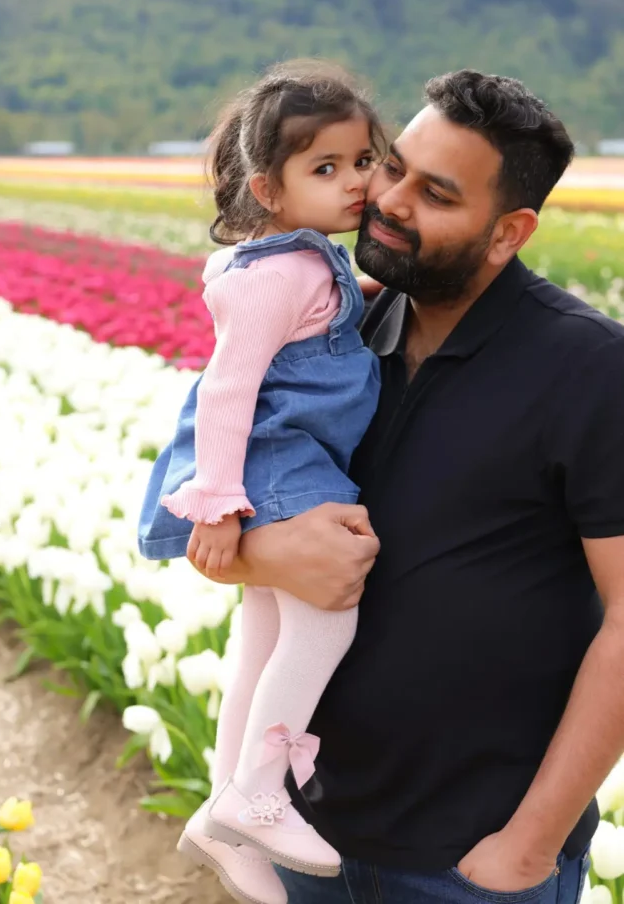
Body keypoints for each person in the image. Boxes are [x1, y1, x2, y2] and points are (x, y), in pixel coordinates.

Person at [193, 70, 624, 904]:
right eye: (391, 167)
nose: (385, 197)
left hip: (468, 861)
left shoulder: (589, 368)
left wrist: (525, 849)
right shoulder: (333, 333)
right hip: (306, 835)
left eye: (434, 193)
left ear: (508, 232)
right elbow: (194, 514)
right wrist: (258, 549)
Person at [138, 60, 386, 904]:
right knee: (327, 616)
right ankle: (257, 789)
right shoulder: (277, 275)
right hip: (280, 465)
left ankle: (221, 810)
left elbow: (321, 315)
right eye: (325, 169)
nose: (354, 182)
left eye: (361, 161)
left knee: (259, 639)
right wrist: (215, 502)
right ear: (266, 190)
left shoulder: (298, 261)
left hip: (286, 459)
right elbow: (227, 387)